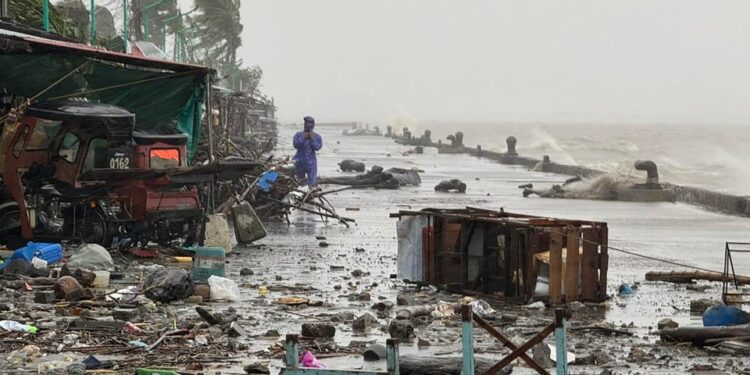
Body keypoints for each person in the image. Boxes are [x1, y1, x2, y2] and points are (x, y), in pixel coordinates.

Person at [293, 116, 323, 186]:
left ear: (313, 125)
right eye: (306, 123)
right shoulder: (298, 135)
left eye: (309, 124)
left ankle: (310, 194)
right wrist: (303, 137)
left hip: (311, 163)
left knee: (312, 183)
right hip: (299, 162)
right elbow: (296, 145)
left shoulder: (317, 136)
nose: (307, 125)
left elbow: (317, 147)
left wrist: (312, 139)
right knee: (300, 182)